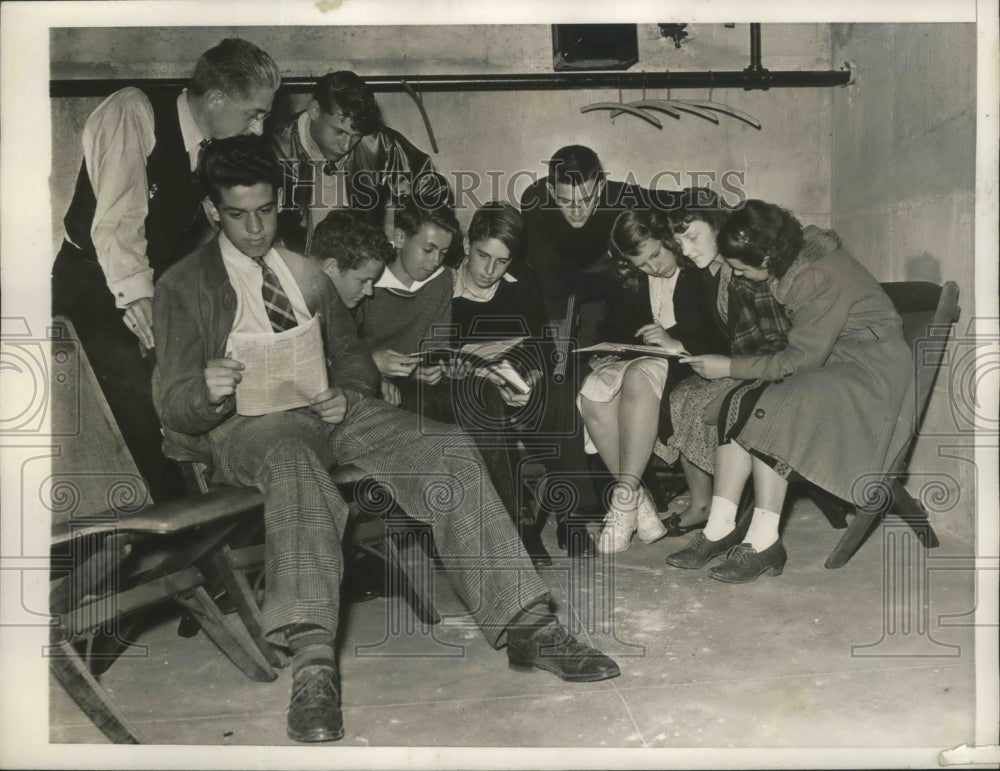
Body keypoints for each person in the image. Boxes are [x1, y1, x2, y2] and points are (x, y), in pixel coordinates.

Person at [152, 135, 620, 743]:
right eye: (238, 214)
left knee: (447, 447)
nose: (255, 226)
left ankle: (527, 625)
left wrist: (347, 389)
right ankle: (314, 665)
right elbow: (172, 404)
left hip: (331, 409)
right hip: (246, 426)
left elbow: (351, 356)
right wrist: (206, 390)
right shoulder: (182, 286)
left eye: (265, 210)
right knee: (296, 466)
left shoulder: (302, 272)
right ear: (214, 211)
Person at [52, 38, 281, 503]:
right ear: (215, 99)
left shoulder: (217, 146)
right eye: (253, 113)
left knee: (199, 396)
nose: (258, 129)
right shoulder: (134, 110)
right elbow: (118, 220)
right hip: (92, 285)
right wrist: (141, 300)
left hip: (150, 283)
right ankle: (167, 532)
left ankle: (207, 519)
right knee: (136, 416)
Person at [667, 200, 914, 583]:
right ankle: (719, 527)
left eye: (741, 267)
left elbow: (798, 359)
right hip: (836, 361)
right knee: (740, 399)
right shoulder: (794, 262)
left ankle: (765, 541)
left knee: (773, 405)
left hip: (868, 375)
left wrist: (729, 365)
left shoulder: (817, 275)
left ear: (767, 256)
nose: (739, 275)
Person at [354, 198, 547, 564]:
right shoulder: (369, 282)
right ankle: (446, 537)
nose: (435, 260)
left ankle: (508, 531)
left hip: (424, 381)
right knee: (426, 421)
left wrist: (442, 365)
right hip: (383, 389)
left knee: (482, 394)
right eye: (427, 249)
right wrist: (375, 366)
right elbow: (342, 346)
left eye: (443, 252)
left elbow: (439, 345)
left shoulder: (441, 281)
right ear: (398, 238)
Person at [577, 208, 720, 553]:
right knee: (591, 392)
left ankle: (623, 499)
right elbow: (617, 325)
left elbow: (721, 335)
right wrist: (607, 351)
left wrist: (676, 343)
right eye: (642, 264)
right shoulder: (636, 279)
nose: (653, 267)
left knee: (639, 379)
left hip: (688, 361)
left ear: (668, 240)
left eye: (656, 255)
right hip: (646, 359)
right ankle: (638, 503)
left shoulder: (699, 270)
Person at [651, 189, 789, 537]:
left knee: (701, 399)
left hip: (773, 367)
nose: (686, 249)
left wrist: (727, 366)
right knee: (681, 393)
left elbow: (777, 342)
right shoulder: (707, 270)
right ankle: (705, 504)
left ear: (717, 224)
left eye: (693, 237)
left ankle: (725, 510)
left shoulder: (744, 267)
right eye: (679, 242)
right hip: (744, 361)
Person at [450, 202, 554, 565]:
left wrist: (532, 371)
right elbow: (432, 351)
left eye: (502, 261)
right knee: (485, 400)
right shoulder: (443, 288)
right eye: (483, 256)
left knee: (558, 393)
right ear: (466, 245)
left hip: (516, 378)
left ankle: (575, 515)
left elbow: (542, 342)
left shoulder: (520, 283)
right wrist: (459, 367)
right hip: (466, 388)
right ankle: (515, 525)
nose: (490, 270)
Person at [272, 70, 436, 254]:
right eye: (339, 132)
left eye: (355, 136)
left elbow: (430, 188)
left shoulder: (378, 143)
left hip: (358, 267)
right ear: (314, 110)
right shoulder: (273, 148)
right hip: (293, 269)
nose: (345, 146)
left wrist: (407, 247)